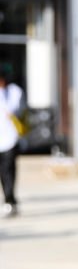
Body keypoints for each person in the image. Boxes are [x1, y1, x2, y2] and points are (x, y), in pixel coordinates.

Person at [0, 62, 25, 217]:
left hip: (11, 138)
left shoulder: (14, 92)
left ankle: (10, 199)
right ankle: (9, 198)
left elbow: (16, 109)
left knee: (9, 169)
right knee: (2, 172)